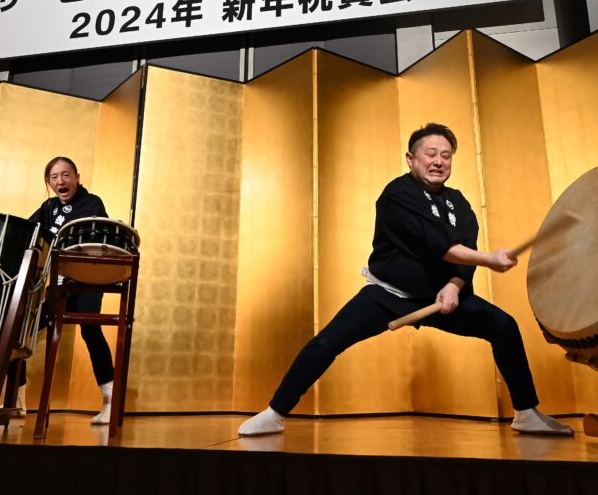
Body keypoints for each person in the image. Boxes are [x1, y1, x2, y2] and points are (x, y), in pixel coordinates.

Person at [238, 123, 573, 437]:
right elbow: (438, 245)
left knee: (503, 326)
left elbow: (464, 249)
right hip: (387, 294)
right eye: (430, 153)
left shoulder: (459, 202)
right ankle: (275, 412)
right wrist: (489, 259)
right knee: (327, 343)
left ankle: (526, 413)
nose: (438, 162)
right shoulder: (396, 195)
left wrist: (455, 286)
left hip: (438, 298)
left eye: (446, 155)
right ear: (411, 158)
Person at [23, 156, 116, 425]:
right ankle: (15, 396)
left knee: (90, 327)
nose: (60, 181)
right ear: (49, 183)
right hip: (61, 282)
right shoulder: (48, 207)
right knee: (24, 326)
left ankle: (110, 400)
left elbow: (103, 238)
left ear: (76, 177)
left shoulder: (92, 202)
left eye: (66, 175)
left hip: (88, 278)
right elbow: (30, 231)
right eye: (54, 177)